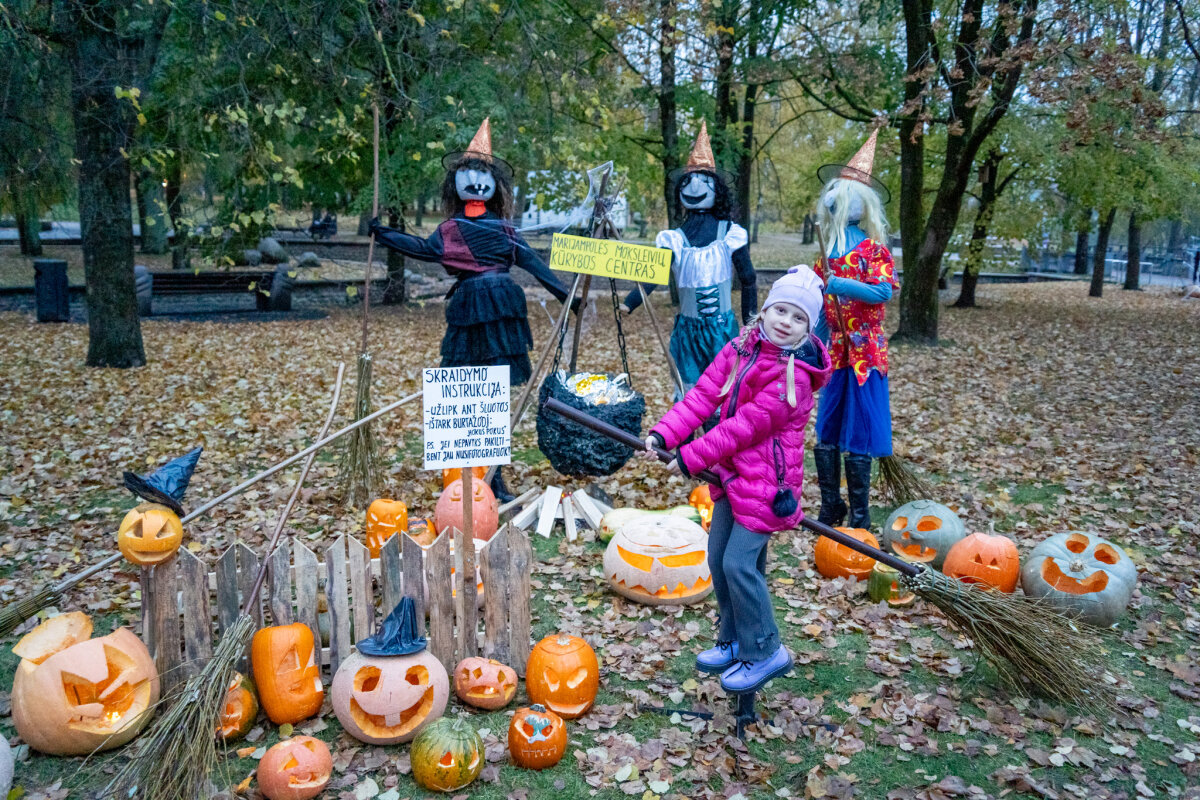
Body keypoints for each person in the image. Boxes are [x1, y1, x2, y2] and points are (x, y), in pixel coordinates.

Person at [642, 267, 830, 694]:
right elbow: (702, 395)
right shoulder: (741, 348)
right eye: (780, 310)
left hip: (767, 486)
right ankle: (733, 640)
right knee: (718, 559)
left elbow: (743, 428)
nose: (786, 321)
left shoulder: (795, 376)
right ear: (764, 310)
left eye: (799, 317)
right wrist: (665, 433)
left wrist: (690, 456)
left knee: (739, 564)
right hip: (732, 477)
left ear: (808, 329)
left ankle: (765, 650)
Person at [369, 118, 574, 501]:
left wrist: (567, 294)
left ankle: (493, 480)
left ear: (495, 185)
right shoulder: (450, 230)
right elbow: (423, 249)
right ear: (456, 184)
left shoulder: (504, 229)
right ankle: (466, 478)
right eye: (469, 175)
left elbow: (532, 263)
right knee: (465, 390)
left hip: (500, 310)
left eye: (484, 175)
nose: (477, 182)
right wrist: (384, 234)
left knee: (493, 394)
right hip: (468, 310)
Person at [621, 121, 757, 397]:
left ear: (717, 189)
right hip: (687, 333)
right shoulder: (675, 239)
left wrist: (750, 323)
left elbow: (749, 279)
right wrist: (630, 301)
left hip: (723, 331)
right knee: (689, 393)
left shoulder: (729, 234)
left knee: (723, 392)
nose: (695, 186)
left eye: (703, 181)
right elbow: (656, 274)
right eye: (689, 181)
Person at [810, 129, 900, 531]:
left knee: (860, 430)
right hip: (834, 353)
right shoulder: (825, 253)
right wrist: (809, 344)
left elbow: (883, 290)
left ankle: (860, 514)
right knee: (826, 428)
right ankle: (831, 504)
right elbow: (818, 305)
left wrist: (842, 284)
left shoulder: (872, 251)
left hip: (865, 355)